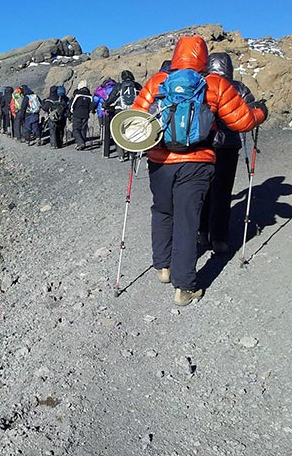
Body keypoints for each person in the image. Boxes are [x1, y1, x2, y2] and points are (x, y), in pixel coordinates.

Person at [131, 36, 267, 306]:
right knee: (188, 219)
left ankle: (162, 267)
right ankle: (184, 287)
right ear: (204, 58)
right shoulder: (214, 84)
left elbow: (137, 118)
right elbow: (243, 122)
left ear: (176, 54)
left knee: (162, 211)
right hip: (197, 161)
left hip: (160, 161)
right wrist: (261, 112)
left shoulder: (157, 82)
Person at [198, 52, 258, 253]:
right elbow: (250, 116)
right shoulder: (239, 88)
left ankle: (202, 233)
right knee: (223, 193)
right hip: (229, 147)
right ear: (229, 67)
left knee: (203, 190)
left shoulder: (203, 84)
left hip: (204, 144)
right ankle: (220, 238)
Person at [102, 70, 142, 161]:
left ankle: (121, 155)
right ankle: (132, 153)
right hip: (133, 111)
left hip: (120, 111)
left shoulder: (119, 86)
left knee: (119, 133)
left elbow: (112, 97)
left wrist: (106, 105)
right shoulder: (137, 85)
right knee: (132, 132)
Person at [69, 79, 93, 150]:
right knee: (83, 129)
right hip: (85, 114)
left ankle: (80, 142)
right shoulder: (90, 96)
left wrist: (71, 112)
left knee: (76, 129)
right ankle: (82, 143)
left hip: (77, 114)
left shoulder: (77, 95)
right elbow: (91, 106)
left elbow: (72, 105)